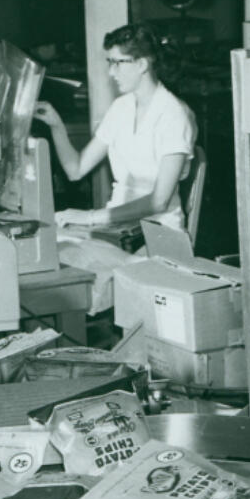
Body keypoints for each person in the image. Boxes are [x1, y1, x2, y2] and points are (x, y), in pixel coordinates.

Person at [33, 23, 197, 313]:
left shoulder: (173, 115)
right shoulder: (122, 108)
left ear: (143, 64)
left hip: (157, 237)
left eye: (117, 63)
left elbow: (158, 200)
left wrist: (92, 217)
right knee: (46, 252)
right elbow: (76, 169)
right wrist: (56, 125)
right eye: (109, 63)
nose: (111, 72)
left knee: (69, 275)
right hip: (116, 230)